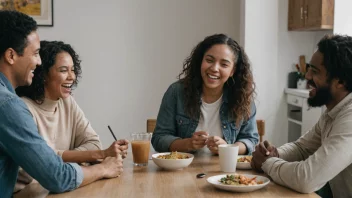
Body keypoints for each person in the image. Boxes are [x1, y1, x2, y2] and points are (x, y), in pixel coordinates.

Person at [0, 10, 123, 198]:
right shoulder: (9, 106)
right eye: (35, 54)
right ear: (11, 56)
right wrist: (103, 168)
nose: (39, 62)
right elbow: (56, 176)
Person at [14, 40, 129, 192]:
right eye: (63, 70)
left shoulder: (67, 102)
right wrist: (97, 157)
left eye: (73, 70)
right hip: (30, 193)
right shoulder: (22, 108)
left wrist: (66, 162)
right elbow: (38, 164)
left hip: (65, 188)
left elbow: (93, 143)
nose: (72, 77)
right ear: (43, 75)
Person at [251, 34, 352, 197]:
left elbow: (307, 179)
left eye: (315, 71)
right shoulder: (333, 111)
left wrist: (267, 163)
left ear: (340, 82)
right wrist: (275, 153)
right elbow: (302, 148)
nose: (307, 77)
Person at [151, 34, 258, 155]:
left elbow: (251, 140)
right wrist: (187, 144)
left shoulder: (242, 96)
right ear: (201, 61)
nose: (214, 68)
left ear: (232, 71)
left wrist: (228, 148)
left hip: (223, 171)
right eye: (209, 60)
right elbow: (159, 138)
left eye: (224, 64)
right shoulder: (176, 92)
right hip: (182, 170)